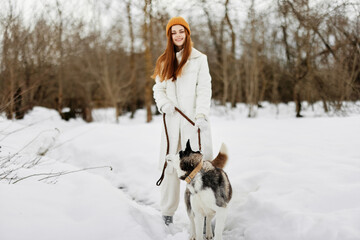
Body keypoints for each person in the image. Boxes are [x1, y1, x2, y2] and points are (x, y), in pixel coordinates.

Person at [152, 16, 213, 225]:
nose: (178, 35)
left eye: (181, 31)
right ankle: (167, 214)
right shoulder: (163, 61)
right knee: (170, 167)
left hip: (194, 123)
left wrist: (201, 115)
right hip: (172, 124)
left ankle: (204, 216)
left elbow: (204, 89)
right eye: (173, 32)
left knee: (197, 170)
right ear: (169, 35)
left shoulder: (199, 59)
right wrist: (164, 104)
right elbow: (158, 89)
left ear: (187, 33)